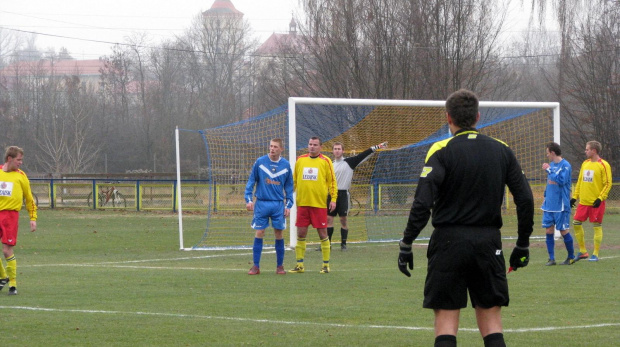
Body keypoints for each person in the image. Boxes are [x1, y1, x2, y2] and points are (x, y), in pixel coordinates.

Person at [397, 89, 534, 347]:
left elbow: (422, 203)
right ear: (478, 116)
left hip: (448, 243)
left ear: (448, 118)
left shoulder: (440, 149)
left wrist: (407, 243)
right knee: (492, 323)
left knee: (446, 324)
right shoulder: (502, 150)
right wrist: (522, 243)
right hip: (488, 243)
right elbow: (525, 199)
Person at [324, 141, 387, 251]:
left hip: (343, 194)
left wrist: (377, 147)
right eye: (335, 149)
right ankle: (327, 245)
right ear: (333, 151)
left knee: (343, 219)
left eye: (339, 148)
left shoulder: (349, 162)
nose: (337, 150)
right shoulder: (330, 164)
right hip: (331, 195)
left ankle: (343, 244)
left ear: (342, 151)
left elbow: (363, 155)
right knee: (329, 219)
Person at [244, 139, 294, 275]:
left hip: (278, 204)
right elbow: (251, 181)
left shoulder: (286, 165)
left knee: (278, 233)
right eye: (271, 146)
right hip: (261, 203)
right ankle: (256, 266)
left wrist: (289, 205)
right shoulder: (260, 162)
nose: (272, 149)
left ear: (281, 149)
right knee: (260, 232)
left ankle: (280, 266)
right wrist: (248, 199)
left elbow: (289, 187)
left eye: (275, 147)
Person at [289, 136, 337, 274]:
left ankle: (326, 265)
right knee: (301, 233)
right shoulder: (301, 160)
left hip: (319, 205)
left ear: (320, 147)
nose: (312, 147)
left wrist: (333, 199)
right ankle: (299, 265)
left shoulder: (326, 161)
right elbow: (295, 181)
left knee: (323, 233)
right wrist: (287, 196)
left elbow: (332, 182)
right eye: (310, 144)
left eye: (315, 144)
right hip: (303, 204)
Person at [0, 146, 38, 295]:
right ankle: (3, 277)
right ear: (10, 159)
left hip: (10, 217)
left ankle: (13, 285)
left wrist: (32, 218)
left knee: (6, 250)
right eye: (18, 159)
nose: (21, 162)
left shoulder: (21, 176)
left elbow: (29, 199)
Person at [570, 140, 613, 262]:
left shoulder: (604, 165)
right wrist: (575, 197)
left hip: (596, 202)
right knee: (576, 223)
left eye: (587, 149)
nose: (585, 151)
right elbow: (580, 181)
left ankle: (595, 253)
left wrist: (600, 198)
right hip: (583, 202)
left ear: (594, 151)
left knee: (596, 226)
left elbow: (608, 183)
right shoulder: (585, 163)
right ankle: (583, 251)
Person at [541, 142, 575, 266]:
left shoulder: (565, 165)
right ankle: (551, 259)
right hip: (549, 204)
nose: (547, 155)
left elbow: (561, 180)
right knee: (549, 230)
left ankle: (571, 257)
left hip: (561, 205)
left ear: (553, 153)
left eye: (548, 153)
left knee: (563, 231)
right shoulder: (551, 165)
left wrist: (549, 170)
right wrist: (545, 196)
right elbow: (550, 182)